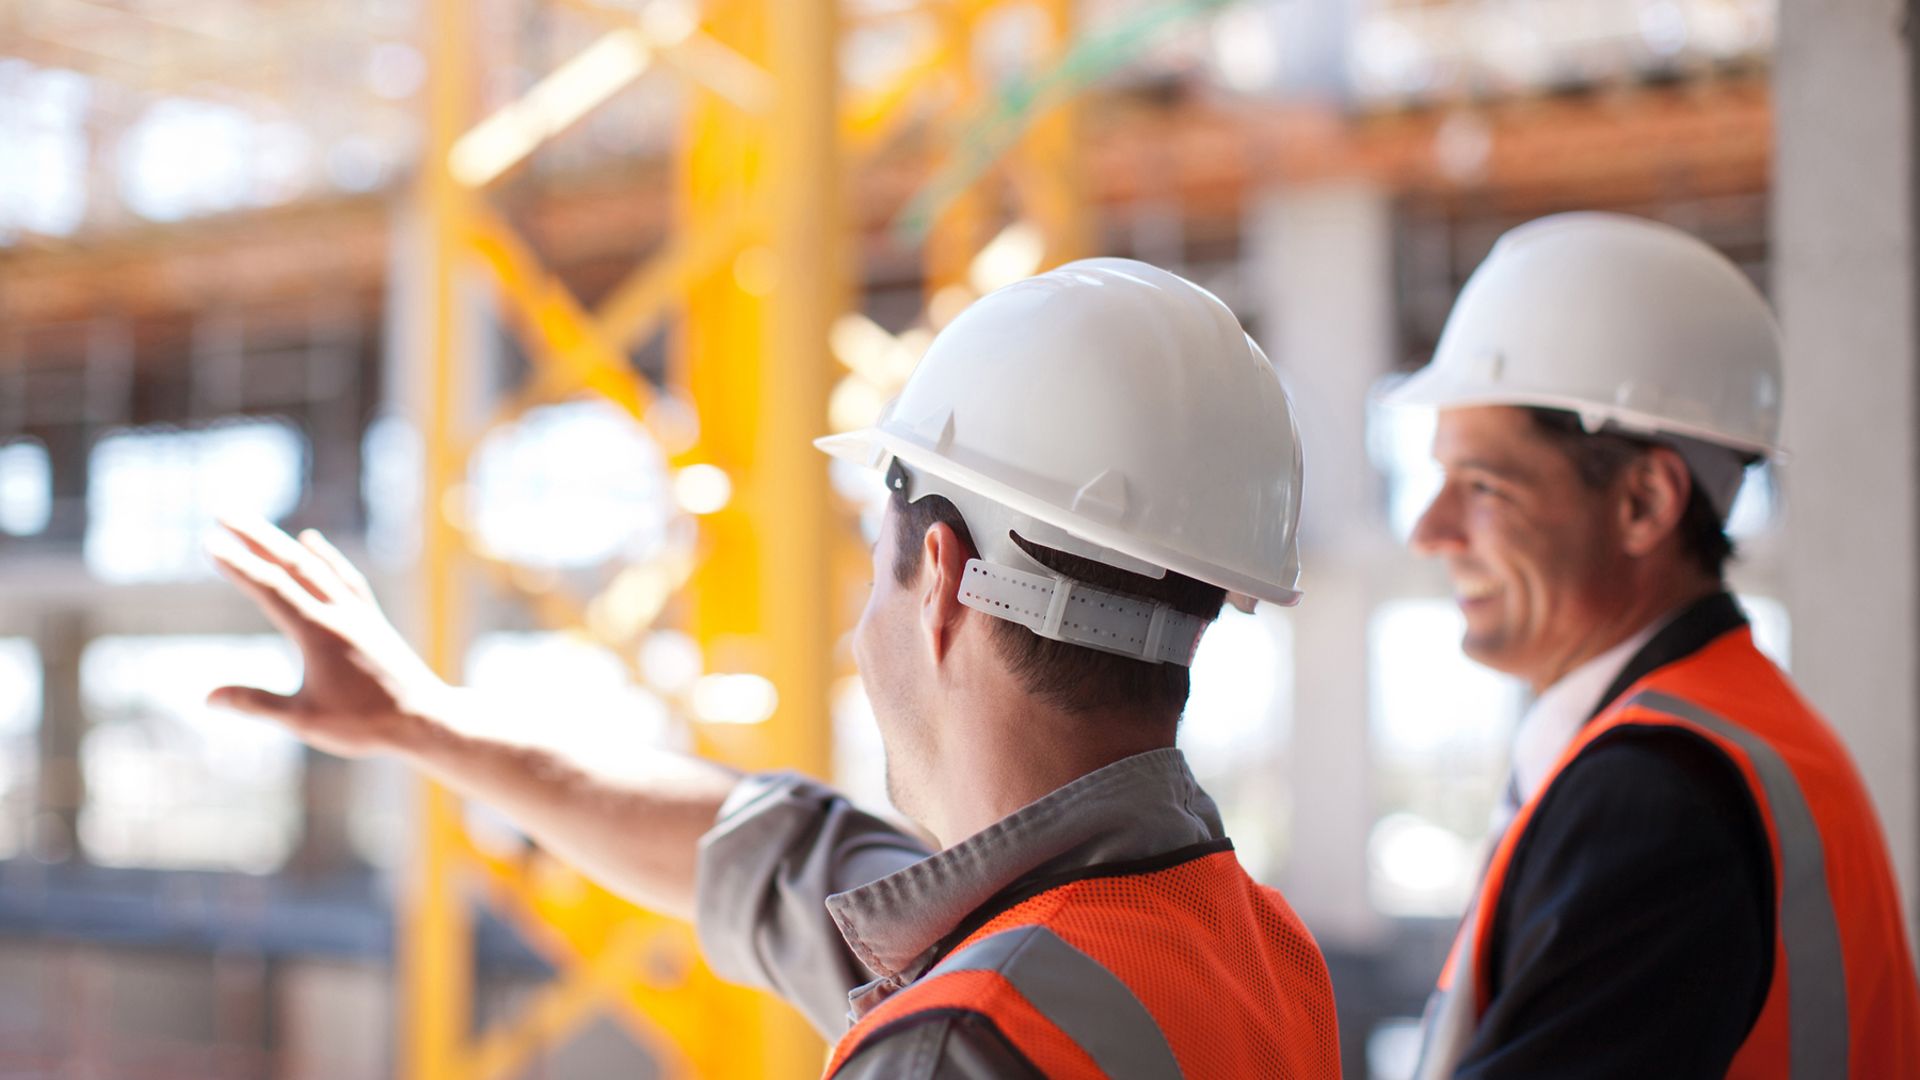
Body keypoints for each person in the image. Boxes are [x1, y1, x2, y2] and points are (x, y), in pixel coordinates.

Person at [207, 258, 1342, 1078]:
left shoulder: (968, 1043)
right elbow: (778, 856)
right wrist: (427, 722)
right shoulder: (1248, 944)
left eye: (875, 567)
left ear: (939, 577)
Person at [1381, 212, 1920, 1078]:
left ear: (1644, 503)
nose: (1428, 529)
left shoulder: (1654, 798)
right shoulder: (1740, 736)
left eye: (1481, 485)